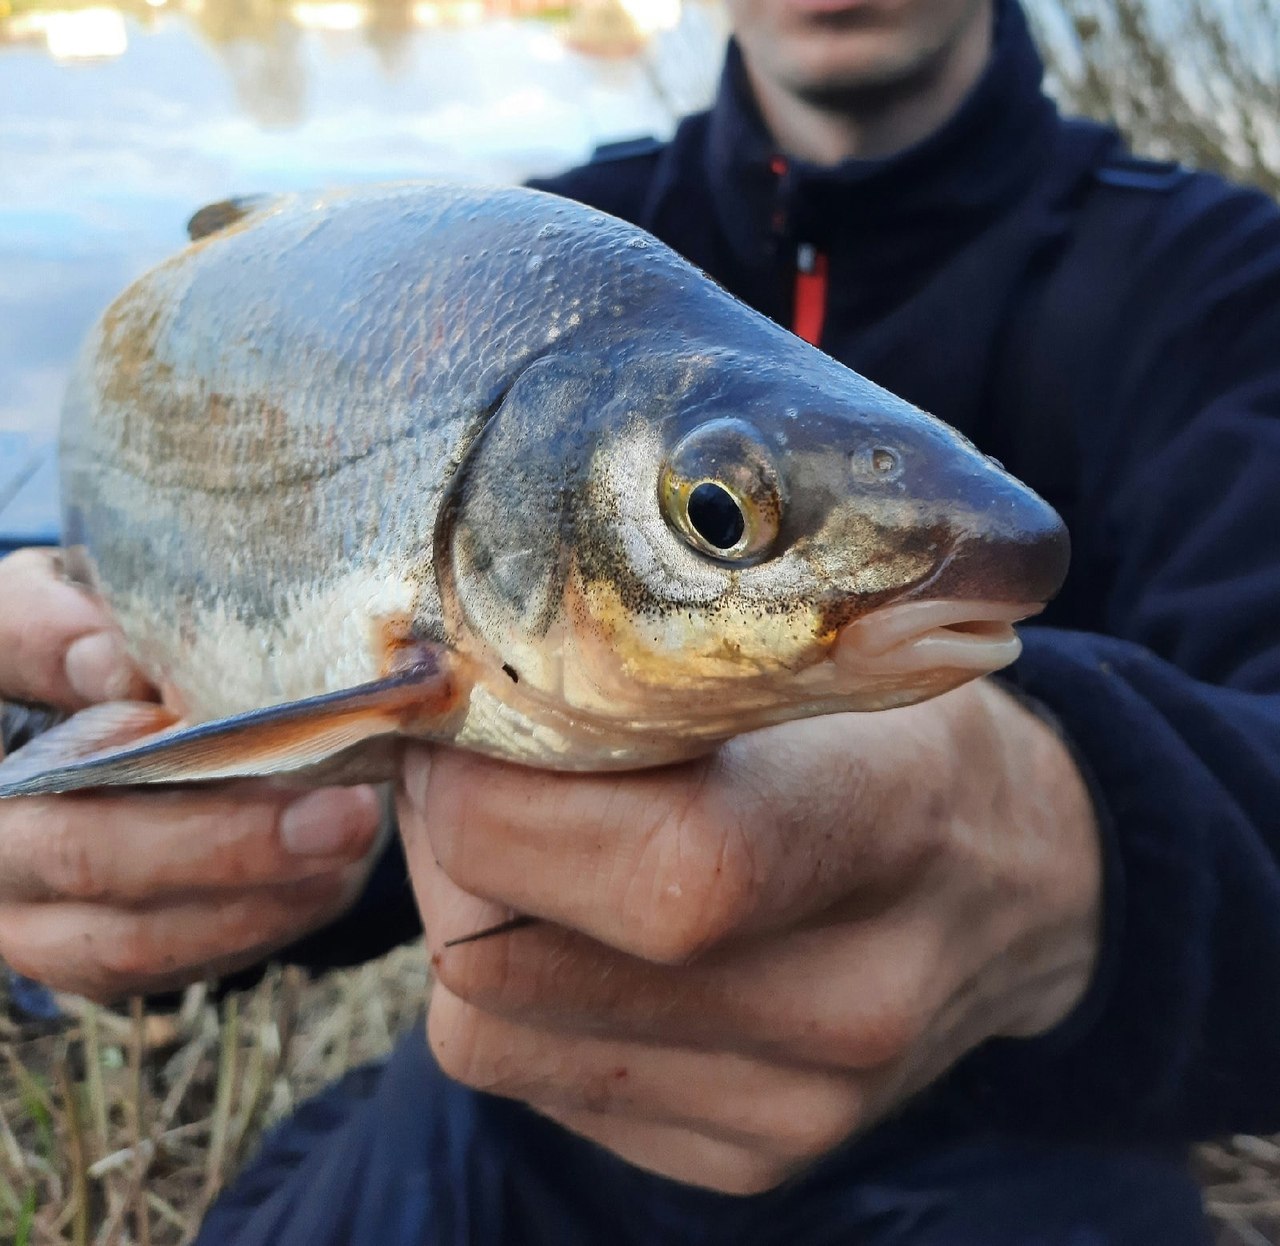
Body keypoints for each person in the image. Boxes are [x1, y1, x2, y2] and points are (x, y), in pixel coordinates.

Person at [2, 0, 1278, 1240]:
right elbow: (379, 791)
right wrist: (158, 827)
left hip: (1026, 1134)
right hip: (518, 1105)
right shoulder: (536, 256)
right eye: (720, 510)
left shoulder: (1220, 283)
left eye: (715, 510)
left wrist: (1078, 861)